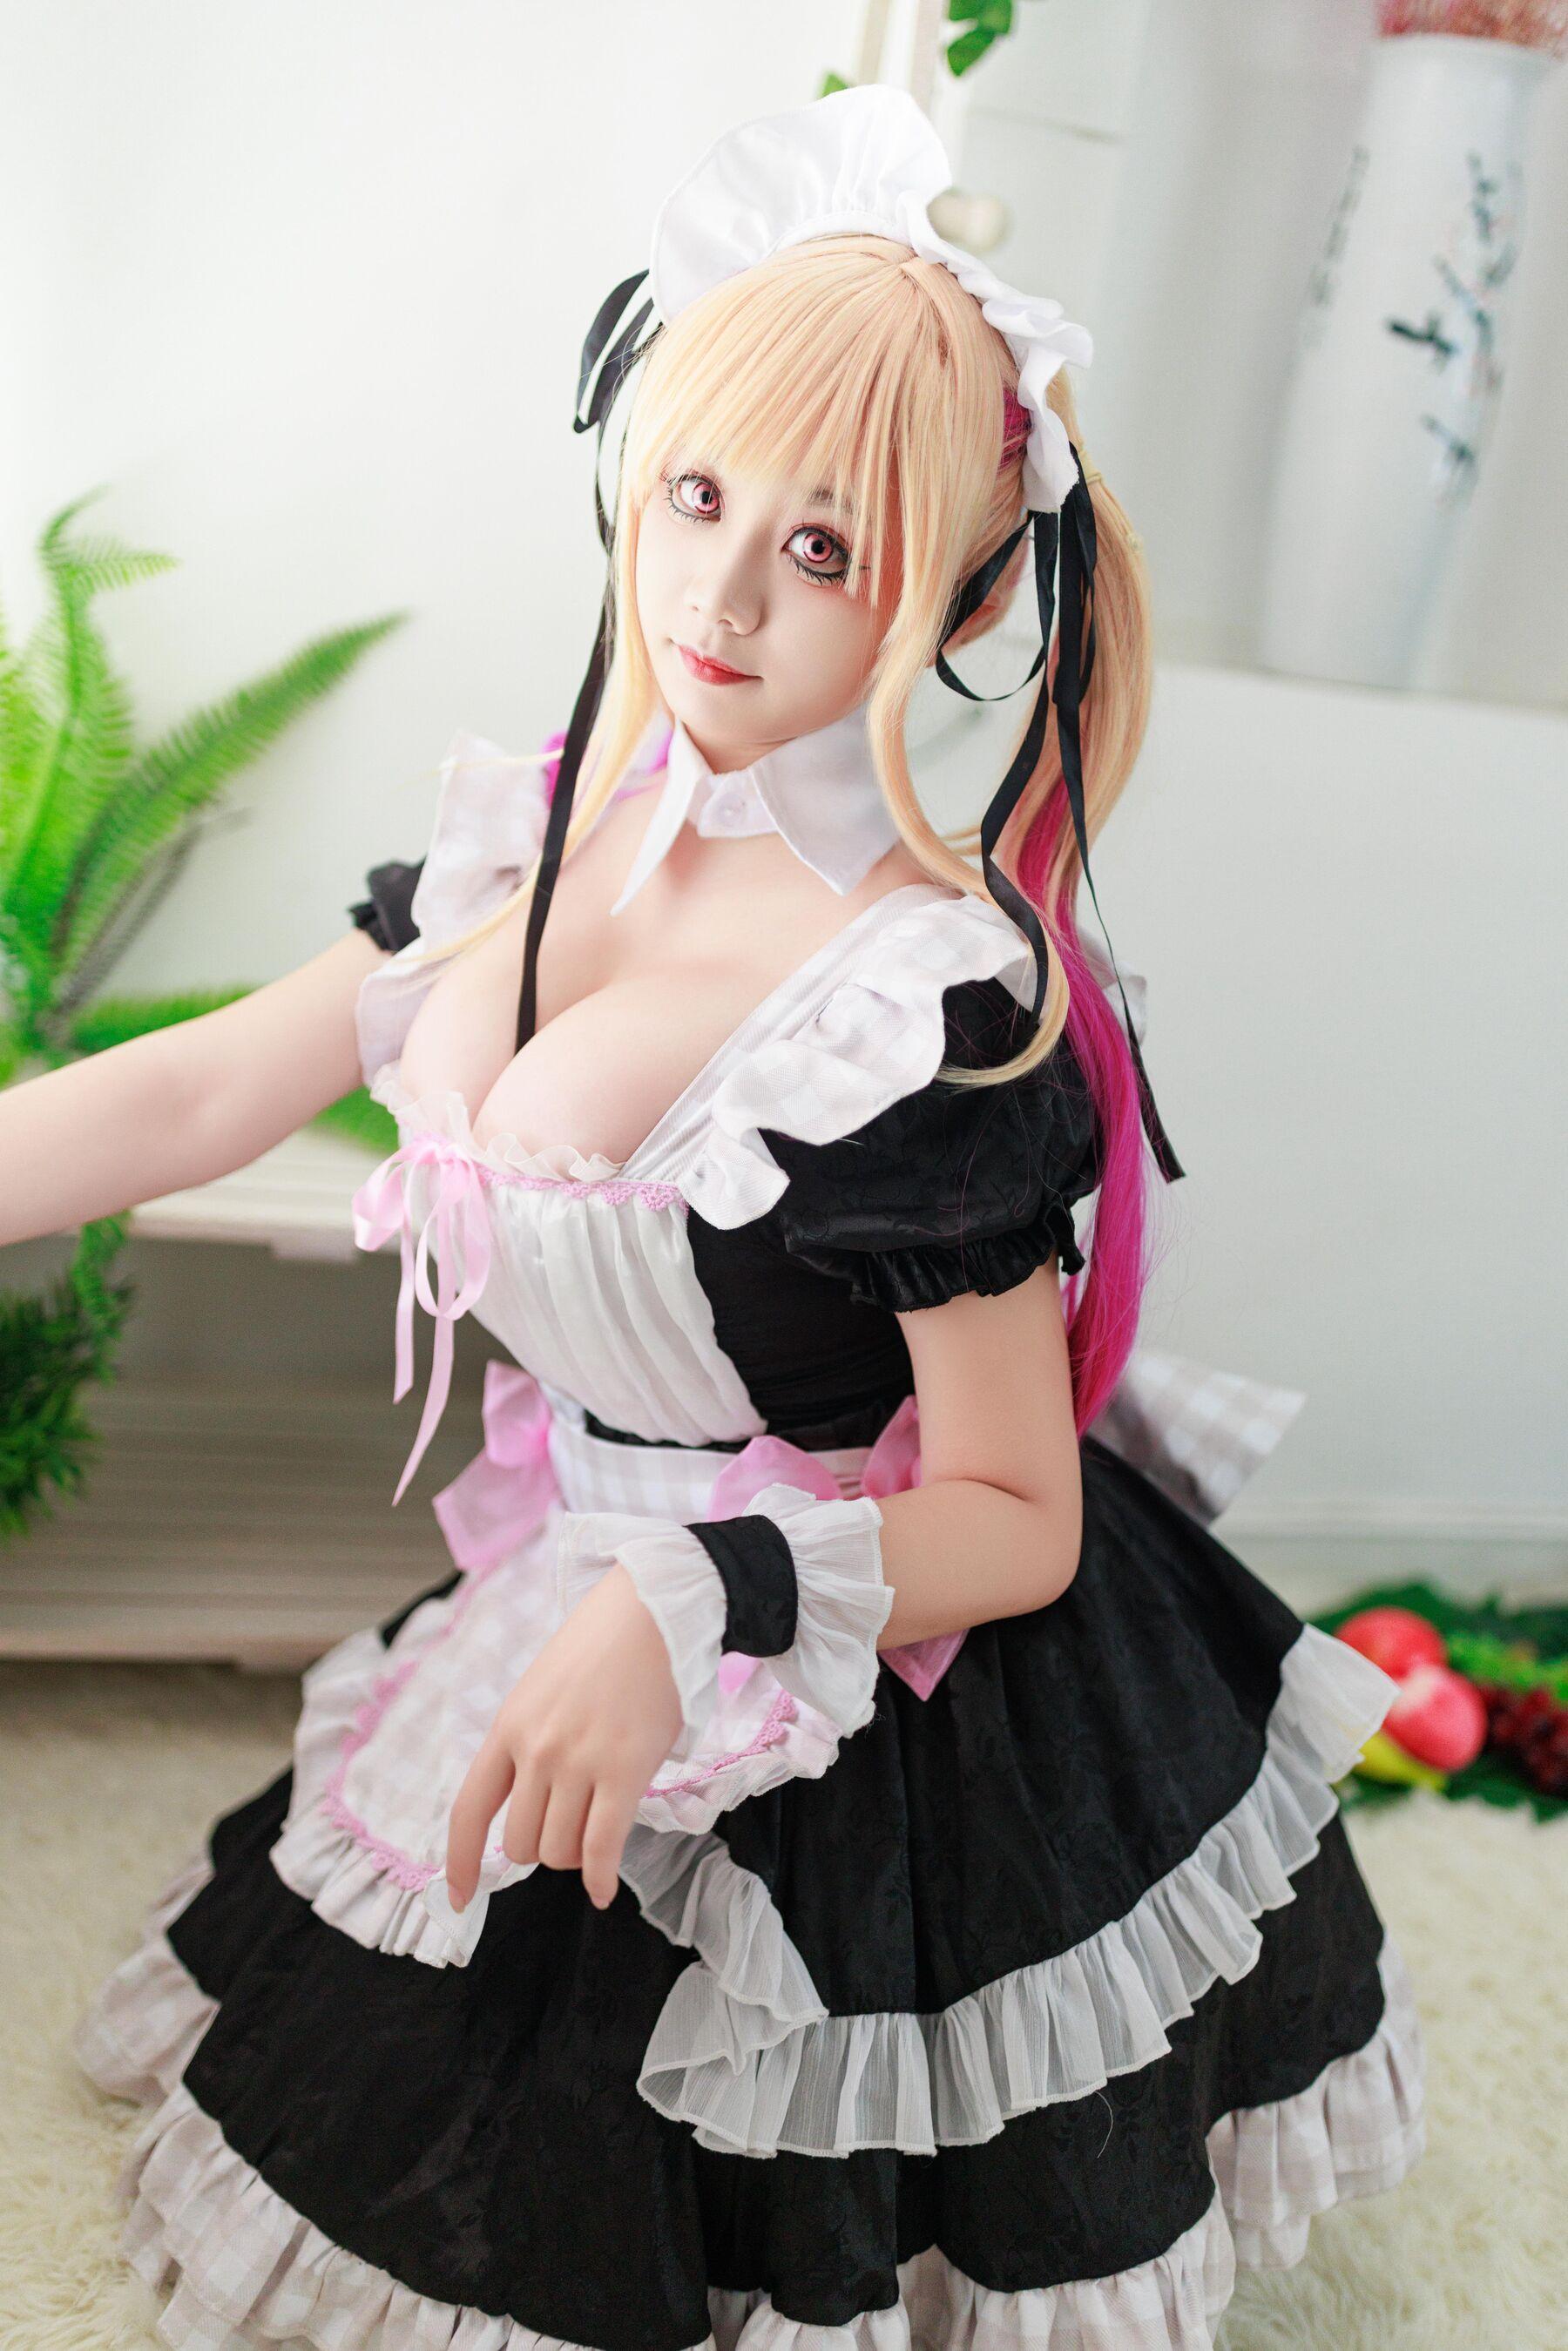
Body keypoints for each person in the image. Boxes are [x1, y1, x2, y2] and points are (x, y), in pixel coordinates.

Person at [13, 84, 1423, 2351]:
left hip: (870, 1659)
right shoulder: (525, 847)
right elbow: (195, 1086)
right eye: (696, 496)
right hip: (588, 1563)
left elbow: (1020, 1512)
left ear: (970, 591)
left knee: (698, 2189)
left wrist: (706, 1592)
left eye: (829, 547)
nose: (724, 596)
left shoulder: (924, 1010)